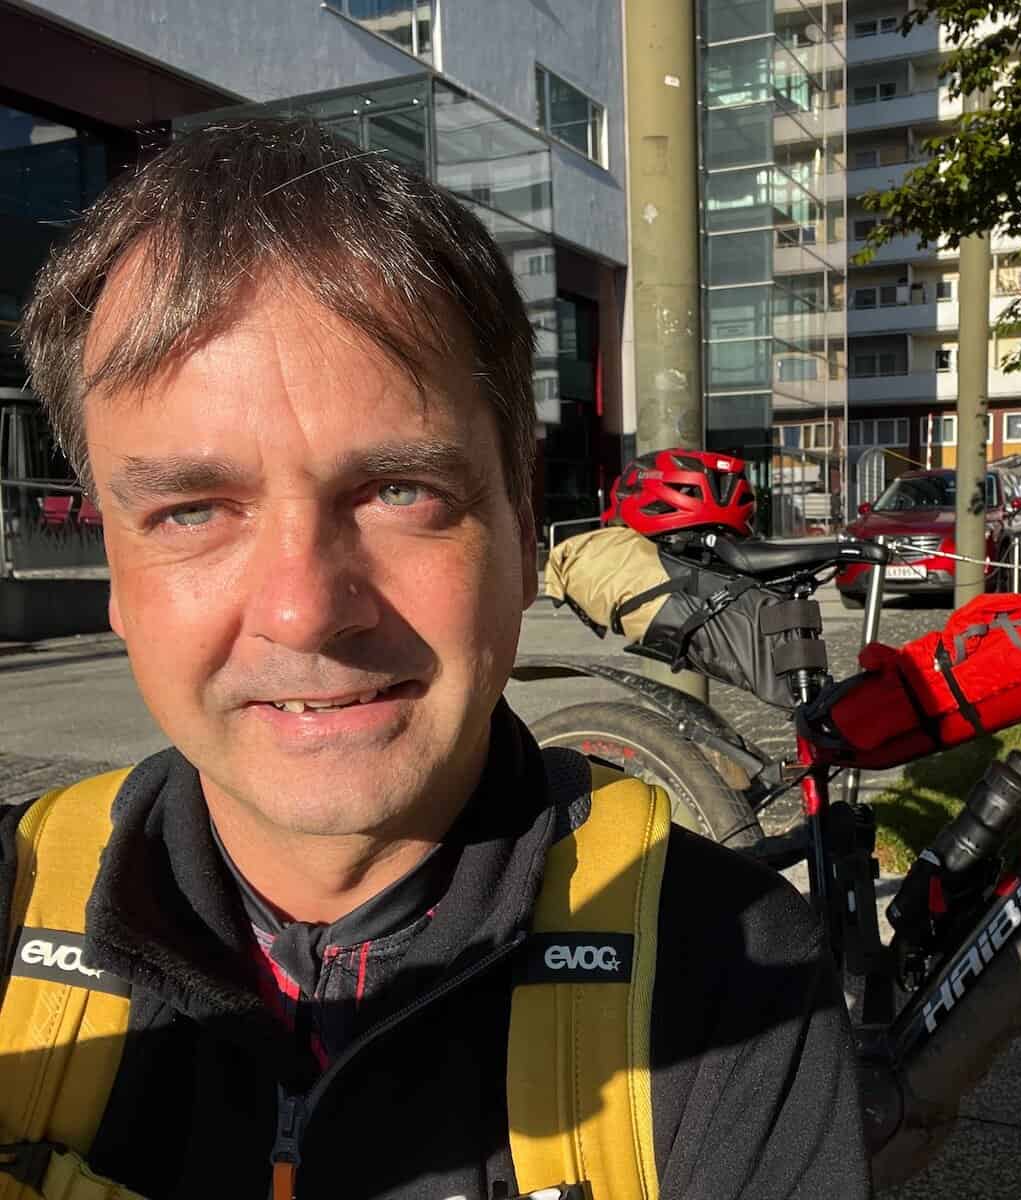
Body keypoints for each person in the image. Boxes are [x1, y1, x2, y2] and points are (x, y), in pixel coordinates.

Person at [2, 119, 868, 1200]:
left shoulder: (733, 978)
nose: (304, 610)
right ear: (119, 580)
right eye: (191, 511)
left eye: (399, 491)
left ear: (520, 527)